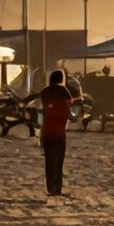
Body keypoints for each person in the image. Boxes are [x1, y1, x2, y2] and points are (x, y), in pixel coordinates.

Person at [37, 70, 75, 198]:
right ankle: (57, 188)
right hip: (60, 132)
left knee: (49, 162)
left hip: (47, 131)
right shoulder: (64, 91)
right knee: (59, 162)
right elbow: (70, 105)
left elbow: (43, 111)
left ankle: (50, 188)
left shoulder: (45, 92)